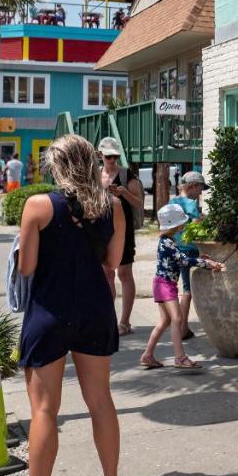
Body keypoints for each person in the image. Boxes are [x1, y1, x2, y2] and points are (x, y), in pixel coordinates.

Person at [0, 135, 126, 476]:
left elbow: (27, 269)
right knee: (100, 401)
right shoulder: (113, 207)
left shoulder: (37, 206)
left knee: (44, 410)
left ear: (58, 167)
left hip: (49, 312)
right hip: (94, 310)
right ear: (90, 163)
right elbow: (113, 262)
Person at [140, 202, 222, 370]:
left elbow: (179, 257)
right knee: (176, 318)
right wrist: (206, 263)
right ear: (175, 225)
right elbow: (183, 261)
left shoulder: (167, 241)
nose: (184, 225)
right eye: (182, 223)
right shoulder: (168, 242)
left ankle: (148, 355)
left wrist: (199, 257)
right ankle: (180, 357)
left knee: (164, 321)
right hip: (165, 285)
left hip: (161, 283)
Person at [97, 137, 142, 336]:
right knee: (107, 274)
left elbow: (139, 203)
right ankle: (109, 319)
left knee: (124, 274)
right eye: (108, 156)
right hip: (102, 230)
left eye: (115, 155)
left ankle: (125, 322)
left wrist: (123, 192)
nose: (112, 159)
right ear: (100, 155)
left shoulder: (126, 175)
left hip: (123, 231)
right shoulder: (96, 175)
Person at [167, 171, 205, 340]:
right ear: (194, 186)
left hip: (173, 247)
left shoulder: (172, 201)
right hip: (188, 249)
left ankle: (179, 325)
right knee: (187, 289)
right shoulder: (191, 204)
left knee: (174, 286)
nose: (201, 193)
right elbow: (197, 229)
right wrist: (203, 221)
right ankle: (182, 327)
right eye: (201, 188)